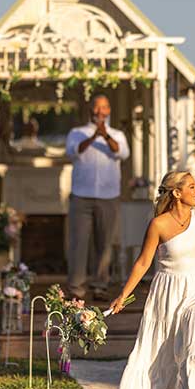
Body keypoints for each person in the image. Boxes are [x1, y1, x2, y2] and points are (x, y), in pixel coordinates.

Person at [110, 171, 195, 389]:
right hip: (167, 292)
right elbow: (143, 262)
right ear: (177, 193)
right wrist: (123, 295)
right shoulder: (159, 224)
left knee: (194, 351)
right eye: (192, 187)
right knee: (167, 354)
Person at [65, 94, 130, 301]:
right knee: (79, 243)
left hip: (108, 196)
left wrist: (106, 136)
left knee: (105, 244)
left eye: (104, 107)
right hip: (81, 196)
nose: (100, 111)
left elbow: (122, 153)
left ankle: (100, 285)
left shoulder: (117, 135)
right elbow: (73, 152)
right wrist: (94, 136)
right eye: (97, 107)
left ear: (109, 110)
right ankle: (76, 288)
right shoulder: (77, 133)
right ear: (90, 110)